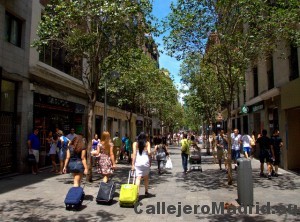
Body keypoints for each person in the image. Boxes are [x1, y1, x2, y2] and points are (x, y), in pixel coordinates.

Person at [131, 132, 151, 197]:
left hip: (138, 161)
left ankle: (137, 194)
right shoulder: (147, 143)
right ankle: (146, 191)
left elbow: (134, 154)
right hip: (145, 161)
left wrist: (133, 164)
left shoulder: (135, 143)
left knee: (138, 178)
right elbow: (149, 153)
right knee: (146, 177)